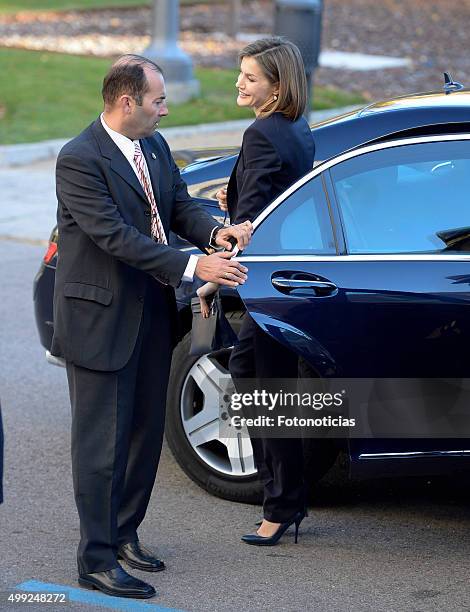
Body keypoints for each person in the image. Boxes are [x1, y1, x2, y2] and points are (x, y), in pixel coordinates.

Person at [51, 54, 252, 599]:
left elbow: (179, 206)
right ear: (126, 102)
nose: (165, 109)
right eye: (158, 100)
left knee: (142, 436)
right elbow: (114, 236)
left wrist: (215, 233)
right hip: (101, 320)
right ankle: (94, 558)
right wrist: (194, 266)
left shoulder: (154, 145)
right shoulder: (79, 159)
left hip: (152, 314)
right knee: (101, 445)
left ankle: (124, 535)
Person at [216, 37, 315, 546]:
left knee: (263, 385)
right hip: (288, 274)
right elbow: (272, 195)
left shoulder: (262, 133)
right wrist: (235, 199)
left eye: (251, 77)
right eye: (241, 73)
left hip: (270, 279)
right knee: (258, 377)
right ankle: (284, 497)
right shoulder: (295, 128)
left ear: (277, 87)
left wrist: (217, 272)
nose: (240, 83)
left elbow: (250, 219)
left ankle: (282, 504)